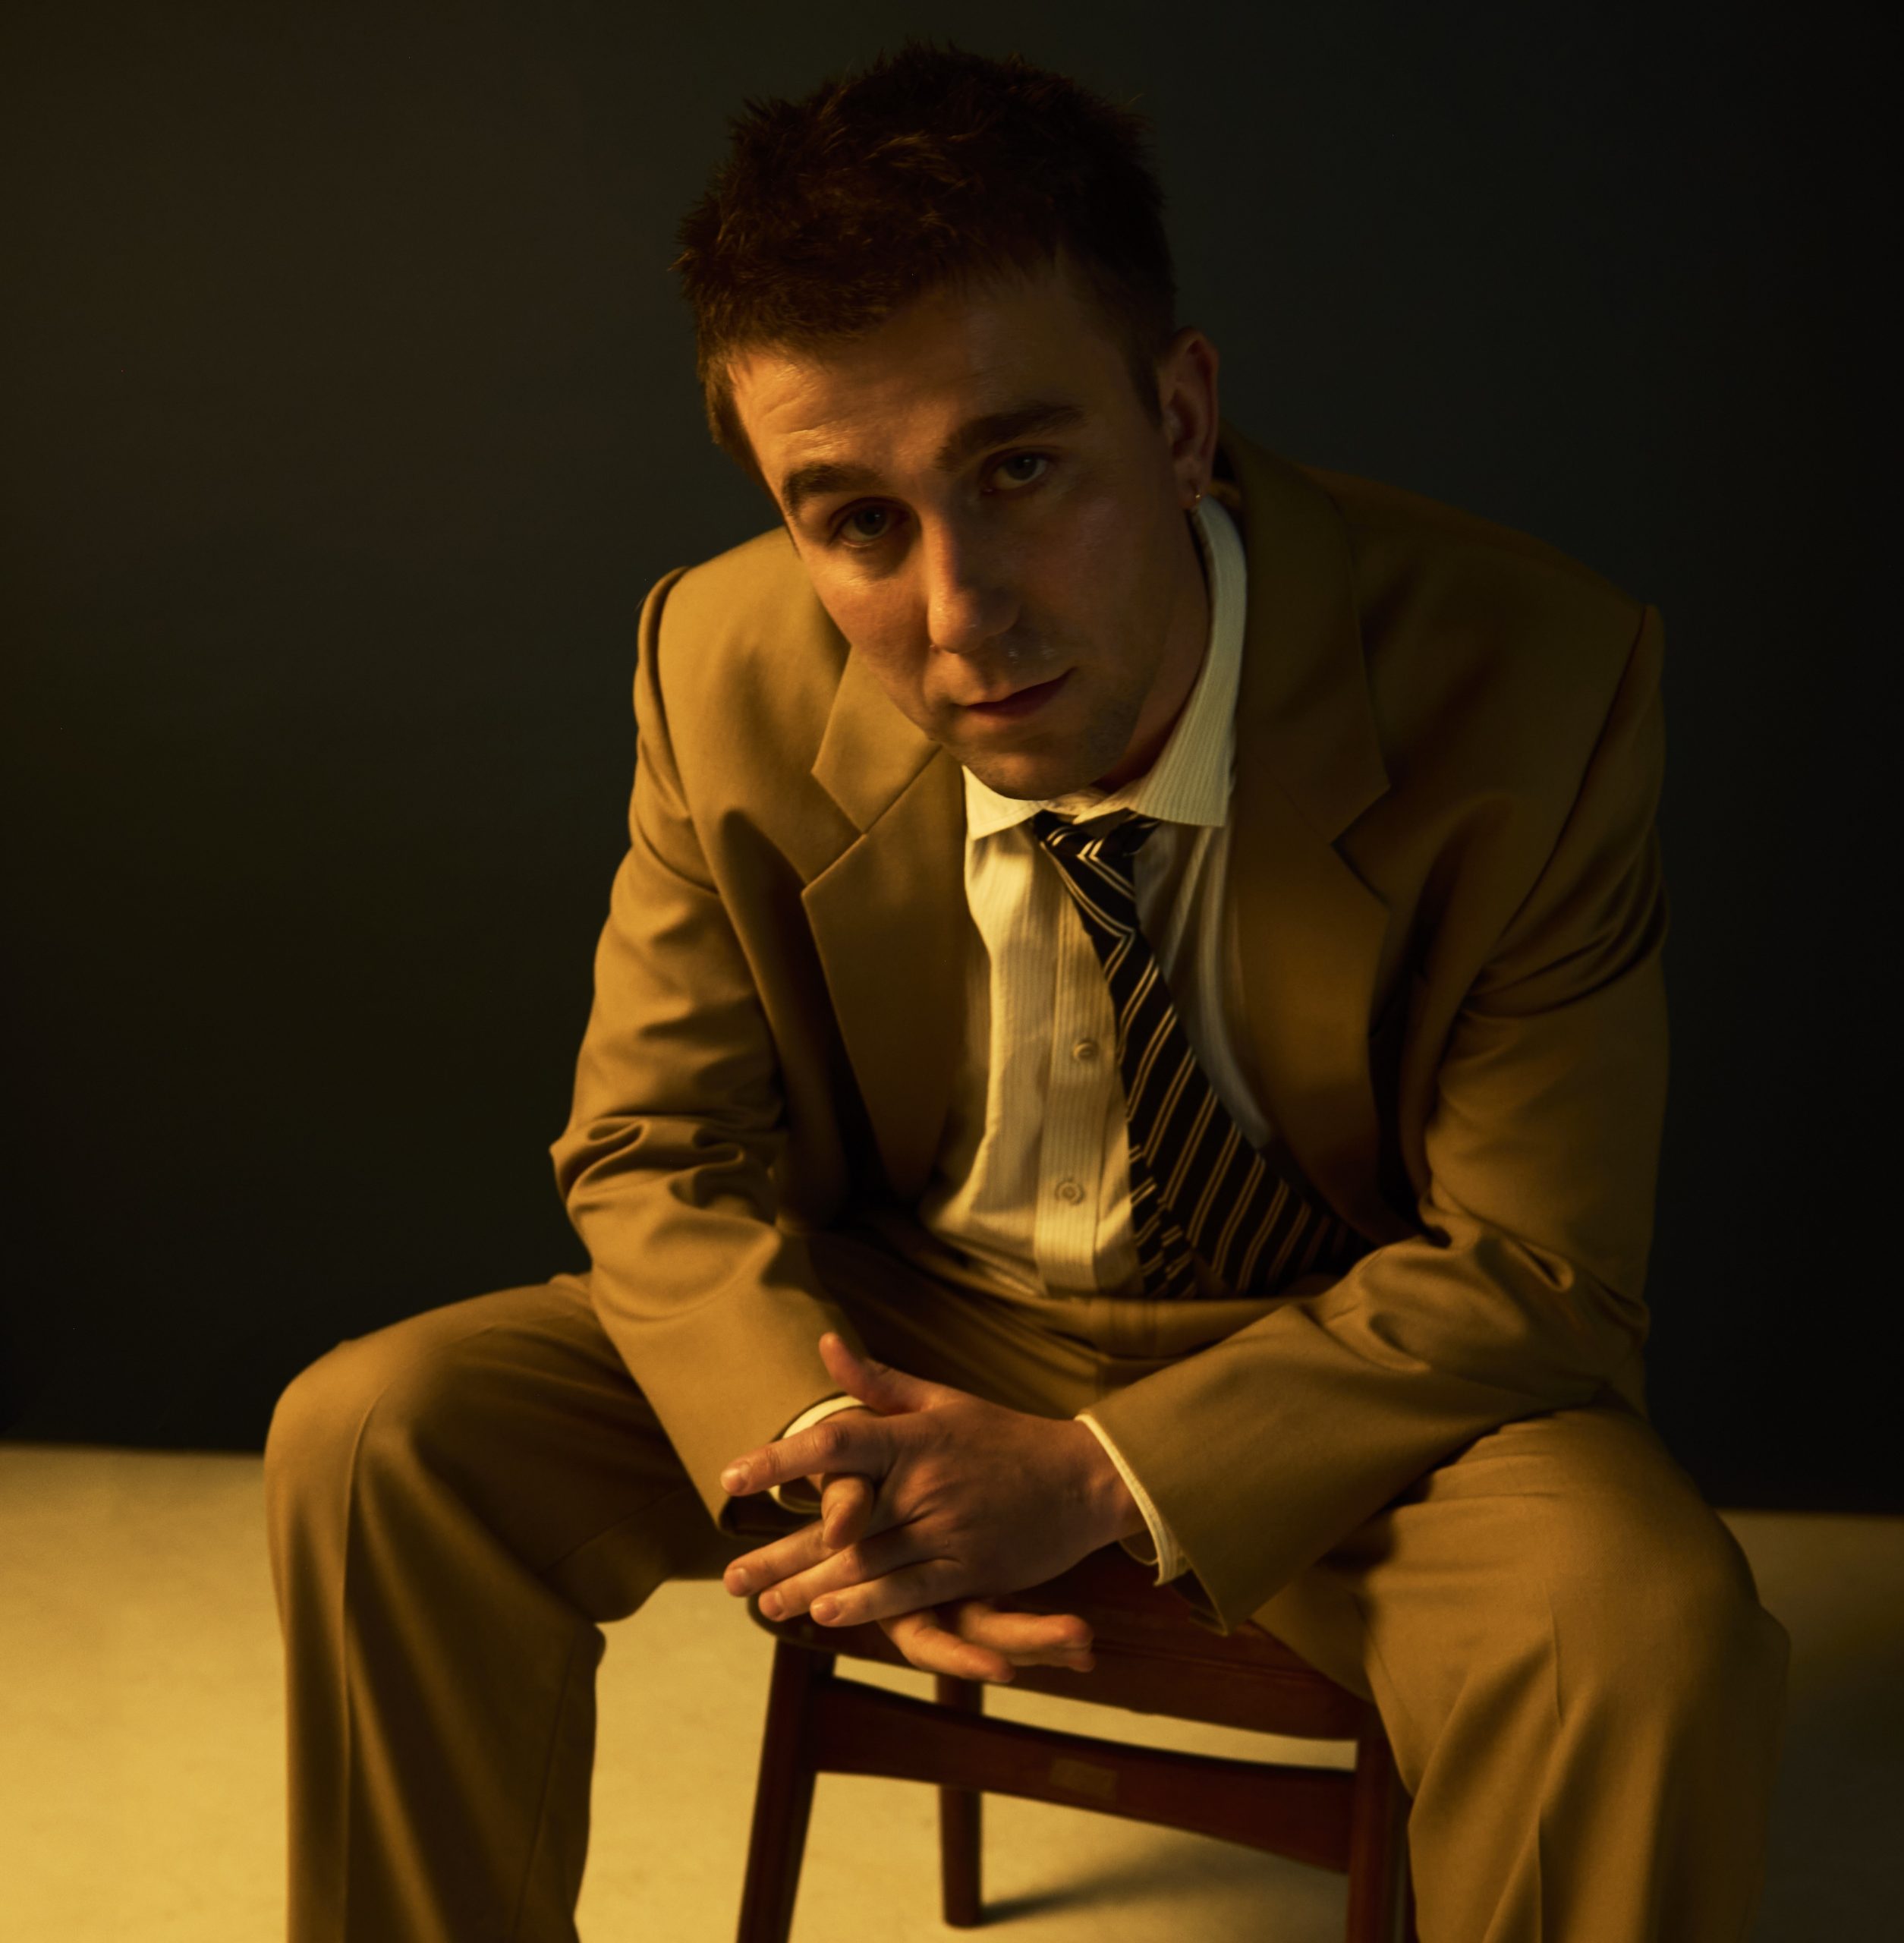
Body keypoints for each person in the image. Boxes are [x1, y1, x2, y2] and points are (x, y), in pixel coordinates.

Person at [263, 36, 1791, 1943]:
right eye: (854, 518)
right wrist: (839, 1468)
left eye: (1018, 469)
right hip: (903, 1322)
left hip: (1341, 1358)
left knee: (1635, 1623)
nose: (957, 609)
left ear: (1178, 416)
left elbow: (1535, 1268)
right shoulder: (717, 659)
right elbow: (653, 1146)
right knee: (380, 1433)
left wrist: (1091, 1474)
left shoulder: (1534, 677)